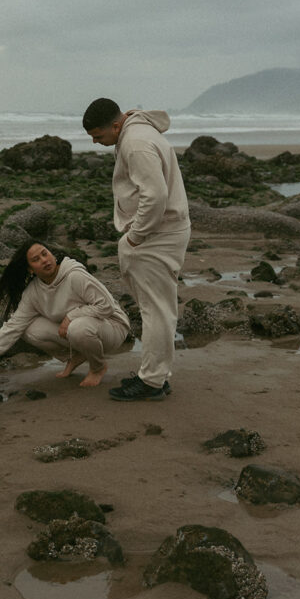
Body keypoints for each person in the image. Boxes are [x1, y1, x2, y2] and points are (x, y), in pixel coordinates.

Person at [82, 98, 190, 402]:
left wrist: (134, 237)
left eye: (99, 136)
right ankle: (156, 375)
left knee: (155, 311)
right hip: (163, 230)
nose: (95, 141)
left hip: (158, 234)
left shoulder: (136, 143)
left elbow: (155, 197)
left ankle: (152, 382)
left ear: (116, 125)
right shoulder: (135, 132)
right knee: (157, 308)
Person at [0, 240, 131, 388]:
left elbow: (106, 306)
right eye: (36, 259)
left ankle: (98, 367)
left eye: (44, 253)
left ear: (52, 254)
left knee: (77, 328)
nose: (44, 260)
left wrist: (71, 317)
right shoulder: (34, 292)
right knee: (29, 329)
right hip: (81, 330)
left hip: (113, 326)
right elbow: (14, 325)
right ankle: (76, 355)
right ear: (30, 269)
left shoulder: (74, 275)